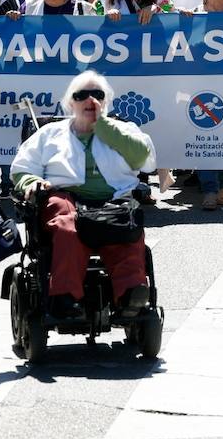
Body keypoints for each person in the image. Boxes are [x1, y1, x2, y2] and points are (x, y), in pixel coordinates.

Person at [12, 71, 156, 320]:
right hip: (65, 196)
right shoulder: (49, 134)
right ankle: (65, 297)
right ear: (70, 103)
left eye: (97, 95)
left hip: (114, 198)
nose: (90, 100)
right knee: (68, 226)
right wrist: (33, 183)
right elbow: (22, 168)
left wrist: (103, 126)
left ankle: (130, 294)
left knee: (126, 224)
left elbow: (144, 160)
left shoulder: (124, 130)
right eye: (82, 96)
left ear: (106, 101)